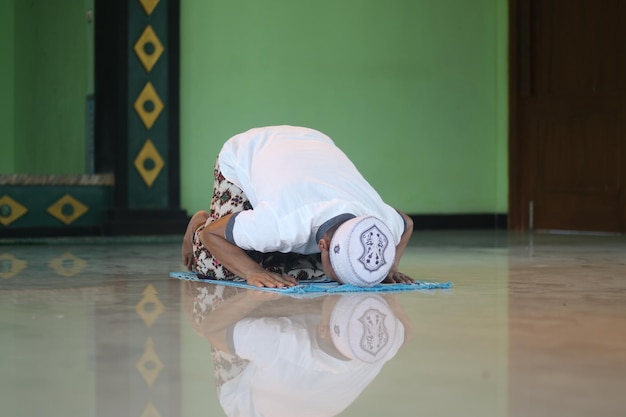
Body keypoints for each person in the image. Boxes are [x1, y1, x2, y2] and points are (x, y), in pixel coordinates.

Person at [181, 125, 414, 288]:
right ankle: (203, 218)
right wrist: (253, 272)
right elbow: (213, 235)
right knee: (219, 268)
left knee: (311, 271)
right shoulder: (281, 224)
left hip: (314, 143)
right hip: (247, 149)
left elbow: (407, 223)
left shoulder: (380, 219)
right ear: (322, 244)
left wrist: (390, 268)